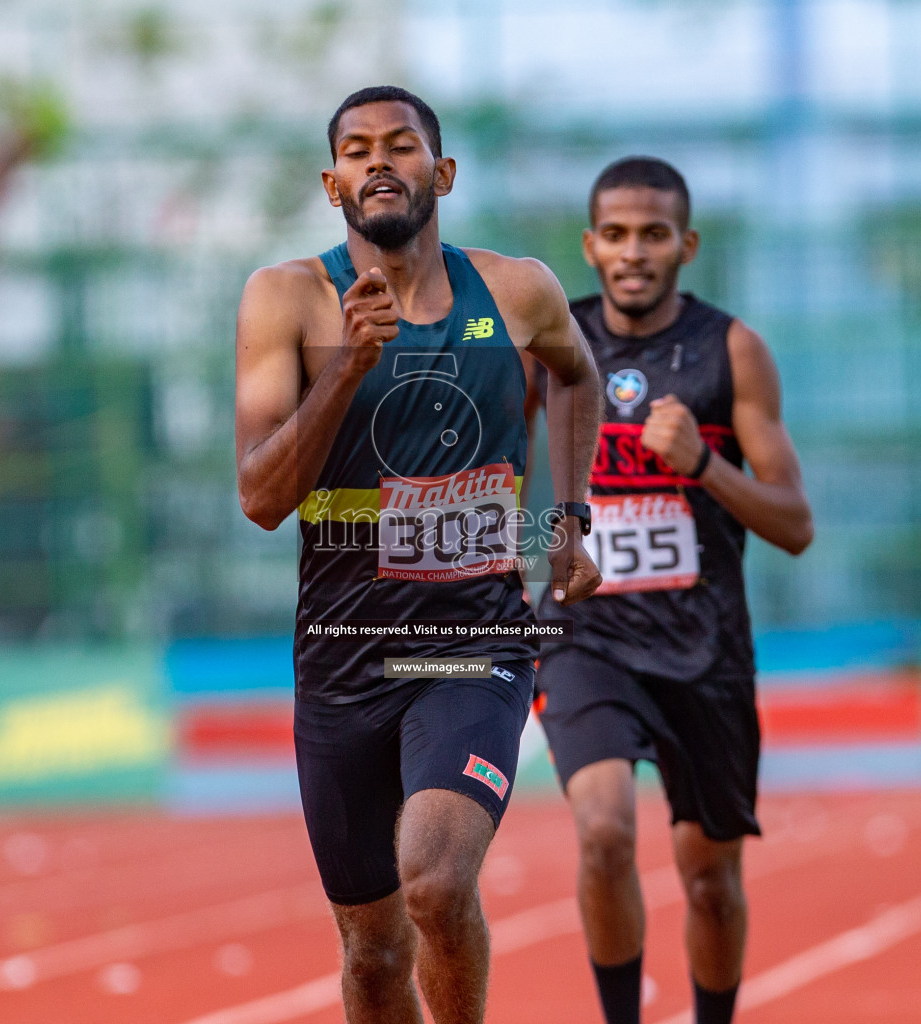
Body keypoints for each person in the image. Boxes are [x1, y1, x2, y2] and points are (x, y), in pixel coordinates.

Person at [233, 85, 603, 1024]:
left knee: (435, 885)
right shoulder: (285, 299)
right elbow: (261, 499)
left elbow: (577, 372)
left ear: (440, 173)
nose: (379, 161)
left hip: (472, 647)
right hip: (344, 653)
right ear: (333, 184)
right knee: (372, 951)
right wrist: (346, 368)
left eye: (401, 145)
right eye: (356, 151)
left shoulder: (517, 289)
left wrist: (569, 520)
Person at [529, 157, 813, 1024]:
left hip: (705, 646)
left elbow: (795, 523)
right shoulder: (552, 343)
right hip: (587, 636)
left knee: (711, 880)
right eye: (614, 234)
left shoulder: (733, 351)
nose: (633, 251)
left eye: (653, 234)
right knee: (606, 830)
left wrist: (702, 463)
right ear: (589, 245)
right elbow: (486, 461)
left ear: (686, 244)